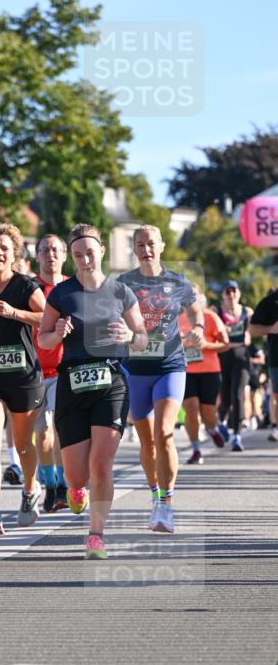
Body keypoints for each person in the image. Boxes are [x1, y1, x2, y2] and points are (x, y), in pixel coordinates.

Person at [37, 224, 147, 559]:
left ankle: (96, 534)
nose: (85, 259)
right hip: (72, 381)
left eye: (90, 252)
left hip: (110, 381)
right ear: (72, 257)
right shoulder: (61, 294)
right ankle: (74, 489)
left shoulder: (120, 291)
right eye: (78, 254)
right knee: (77, 473)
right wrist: (57, 333)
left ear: (101, 251)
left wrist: (130, 337)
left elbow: (143, 337)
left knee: (102, 464)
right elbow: (42, 340)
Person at [118, 226, 203, 533]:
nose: (146, 249)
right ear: (134, 248)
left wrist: (200, 329)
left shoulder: (177, 281)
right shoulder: (124, 283)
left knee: (164, 432)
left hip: (170, 364)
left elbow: (195, 310)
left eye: (151, 243)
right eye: (140, 244)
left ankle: (166, 504)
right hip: (135, 369)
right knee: (147, 442)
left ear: (162, 246)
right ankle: (155, 495)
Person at [0, 224, 45, 534]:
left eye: (4, 248)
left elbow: (48, 318)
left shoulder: (25, 286)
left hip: (23, 375)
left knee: (22, 445)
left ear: (14, 254)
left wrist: (15, 313)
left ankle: (30, 489)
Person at [33, 233, 69, 512]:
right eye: (44, 250)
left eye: (55, 250)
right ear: (37, 256)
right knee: (41, 433)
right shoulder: (29, 287)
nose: (50, 255)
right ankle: (49, 481)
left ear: (64, 255)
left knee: (59, 428)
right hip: (32, 370)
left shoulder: (73, 287)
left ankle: (61, 485)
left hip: (63, 368)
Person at [178, 283, 229, 464]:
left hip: (209, 370)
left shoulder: (210, 317)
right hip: (186, 371)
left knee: (208, 414)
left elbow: (225, 344)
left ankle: (213, 429)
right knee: (190, 408)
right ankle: (196, 449)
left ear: (200, 297)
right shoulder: (179, 319)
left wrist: (207, 345)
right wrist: (181, 345)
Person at [217, 280, 253, 452]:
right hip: (223, 357)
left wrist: (248, 335)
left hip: (242, 357)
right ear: (223, 295)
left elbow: (253, 332)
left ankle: (237, 436)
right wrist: (221, 330)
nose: (231, 295)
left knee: (237, 394)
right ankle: (220, 421)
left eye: (234, 291)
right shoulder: (216, 312)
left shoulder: (248, 312)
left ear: (239, 293)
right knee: (225, 396)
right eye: (227, 292)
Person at [249, 285, 278, 442]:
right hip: (276, 357)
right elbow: (252, 329)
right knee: (276, 395)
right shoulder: (270, 301)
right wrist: (271, 328)